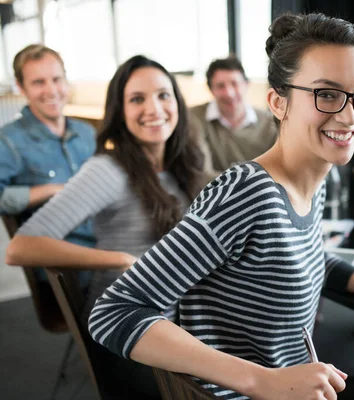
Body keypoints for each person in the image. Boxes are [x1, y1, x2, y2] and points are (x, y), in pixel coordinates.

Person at [89, 14, 354, 400]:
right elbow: (115, 312)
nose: (349, 115)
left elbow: (309, 259)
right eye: (326, 94)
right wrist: (262, 380)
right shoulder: (245, 193)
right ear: (278, 102)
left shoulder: (312, 177)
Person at [6, 55, 207, 397]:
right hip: (130, 325)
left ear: (177, 102)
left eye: (163, 95)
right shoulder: (108, 170)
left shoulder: (182, 164)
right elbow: (20, 247)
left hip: (177, 317)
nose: (154, 108)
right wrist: (122, 259)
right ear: (120, 110)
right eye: (137, 99)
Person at [0, 44, 96, 247]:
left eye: (56, 79)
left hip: (108, 238)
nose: (51, 91)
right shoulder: (8, 141)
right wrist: (53, 190)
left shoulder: (87, 132)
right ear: (20, 87)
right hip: (66, 262)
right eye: (38, 82)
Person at [189, 56, 278, 175]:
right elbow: (202, 173)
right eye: (220, 86)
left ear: (246, 84)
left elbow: (278, 171)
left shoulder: (270, 123)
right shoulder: (194, 117)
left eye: (235, 84)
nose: (229, 93)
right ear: (211, 89)